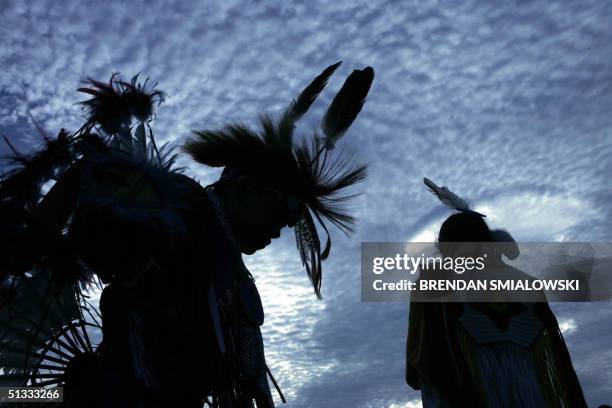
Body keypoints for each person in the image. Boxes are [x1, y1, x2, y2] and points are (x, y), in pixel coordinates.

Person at [0, 63, 374, 407]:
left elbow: (250, 382)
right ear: (246, 188)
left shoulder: (238, 284)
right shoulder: (181, 205)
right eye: (282, 212)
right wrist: (32, 241)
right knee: (31, 396)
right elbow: (91, 171)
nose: (282, 229)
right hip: (112, 393)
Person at [405, 178, 587, 407]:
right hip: (531, 390)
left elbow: (418, 364)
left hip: (468, 391)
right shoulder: (530, 284)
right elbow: (557, 360)